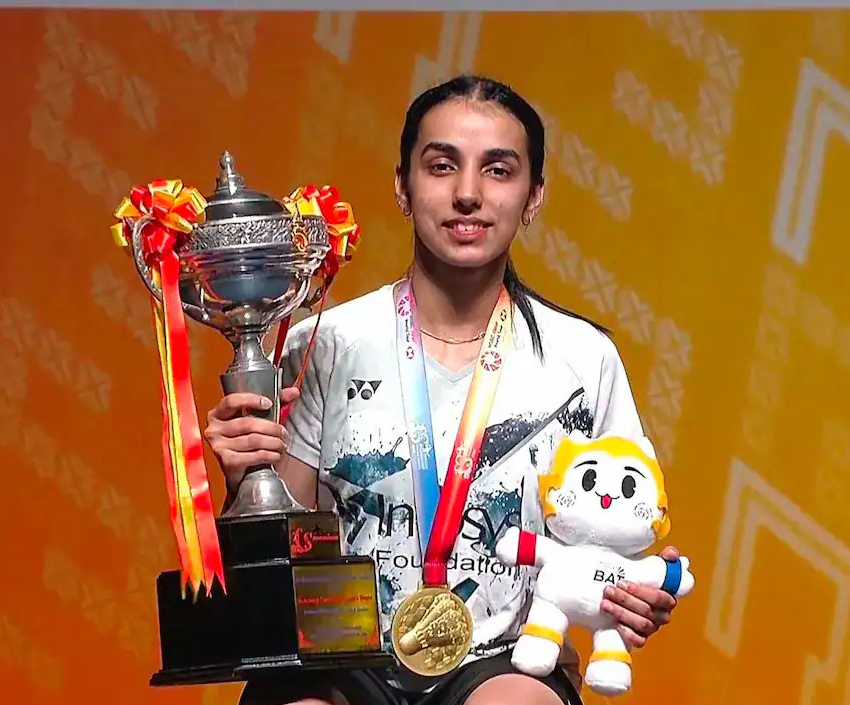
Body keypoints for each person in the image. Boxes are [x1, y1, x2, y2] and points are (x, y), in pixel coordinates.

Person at [204, 75, 680, 705]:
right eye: (441, 166)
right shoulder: (325, 343)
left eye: (498, 170)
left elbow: (623, 530)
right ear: (402, 187)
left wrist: (637, 591)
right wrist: (246, 476)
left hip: (508, 660)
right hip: (340, 655)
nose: (468, 194)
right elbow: (283, 547)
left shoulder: (581, 358)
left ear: (534, 196)